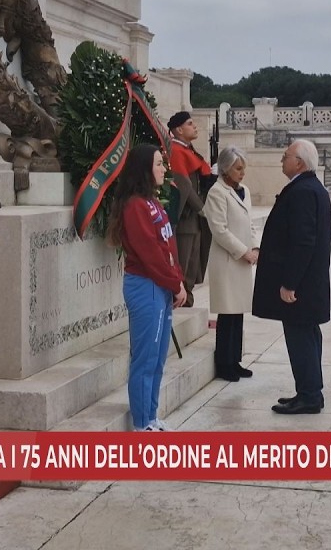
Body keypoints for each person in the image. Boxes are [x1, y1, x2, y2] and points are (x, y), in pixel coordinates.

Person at [107, 144, 186, 431]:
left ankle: (151, 416)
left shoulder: (152, 202)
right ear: (144, 169)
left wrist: (178, 280)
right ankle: (142, 424)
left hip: (161, 286)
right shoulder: (135, 207)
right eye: (158, 164)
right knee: (145, 357)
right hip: (146, 286)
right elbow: (150, 252)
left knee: (158, 357)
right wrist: (174, 283)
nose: (164, 168)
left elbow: (168, 246)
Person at [252, 140, 331, 415]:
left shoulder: (302, 192)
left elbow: (303, 242)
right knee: (306, 336)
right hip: (309, 284)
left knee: (301, 339)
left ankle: (309, 395)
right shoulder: (311, 188)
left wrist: (289, 283)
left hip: (302, 286)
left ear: (299, 162)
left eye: (286, 156)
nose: (281, 160)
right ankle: (309, 391)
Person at [202, 146, 258, 382]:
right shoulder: (217, 192)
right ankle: (224, 363)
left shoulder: (243, 190)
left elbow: (249, 223)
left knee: (238, 313)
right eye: (238, 168)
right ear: (225, 169)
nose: (242, 173)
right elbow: (219, 230)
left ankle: (235, 360)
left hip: (243, 259)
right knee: (227, 313)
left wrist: (254, 246)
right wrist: (243, 251)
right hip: (227, 261)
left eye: (243, 168)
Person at [167, 111, 214, 306]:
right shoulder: (176, 151)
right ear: (178, 130)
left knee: (193, 264)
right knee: (184, 263)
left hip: (194, 219)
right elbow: (184, 185)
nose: (194, 127)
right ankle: (182, 299)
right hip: (186, 218)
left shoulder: (188, 150)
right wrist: (201, 208)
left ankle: (188, 297)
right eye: (190, 123)